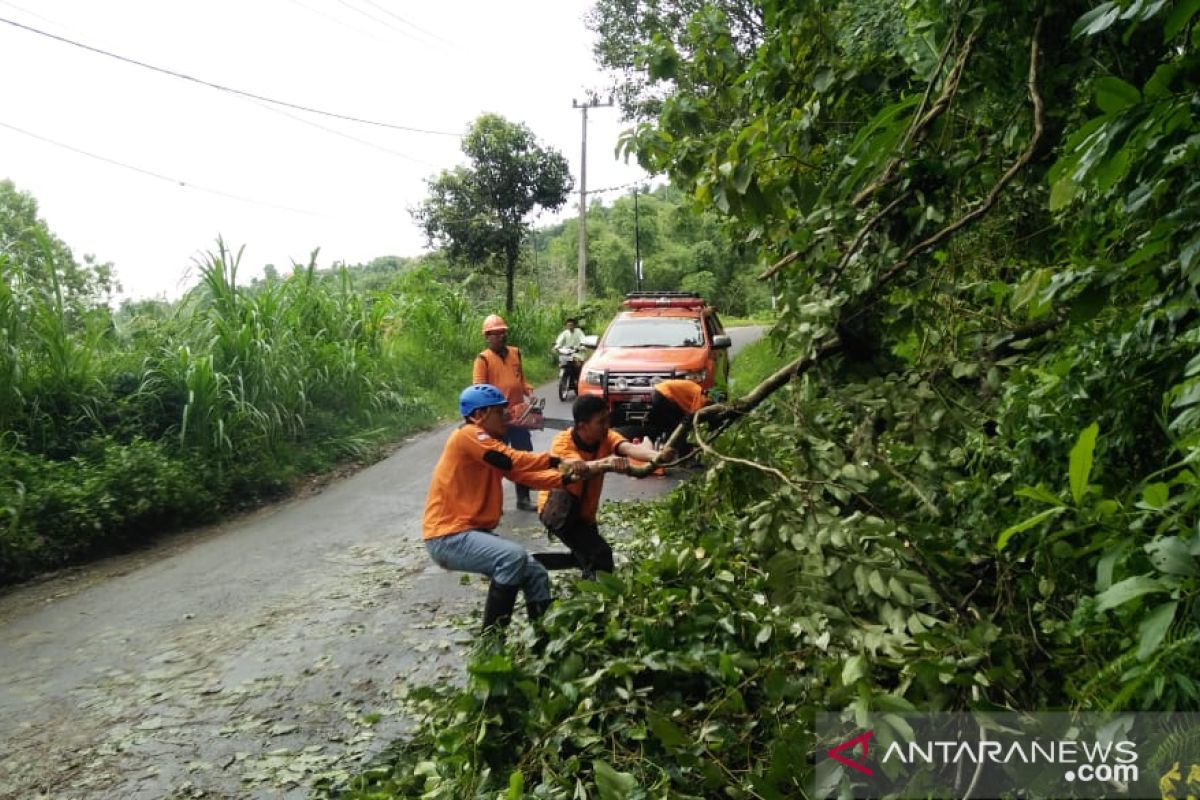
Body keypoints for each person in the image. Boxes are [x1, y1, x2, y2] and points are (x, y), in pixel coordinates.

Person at [423, 384, 620, 631]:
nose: (507, 416)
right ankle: (492, 643)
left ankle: (545, 640)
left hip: (471, 534)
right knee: (512, 557)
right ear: (478, 415)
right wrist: (557, 460)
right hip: (449, 535)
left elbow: (524, 476)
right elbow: (512, 459)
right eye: (499, 412)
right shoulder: (468, 435)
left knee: (534, 572)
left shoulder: (488, 447)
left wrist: (566, 478)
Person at [537, 394, 664, 578]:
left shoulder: (606, 437)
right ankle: (598, 598)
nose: (607, 426)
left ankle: (540, 564)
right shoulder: (562, 442)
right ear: (582, 426)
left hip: (585, 514)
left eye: (607, 420)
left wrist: (657, 457)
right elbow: (577, 466)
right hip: (559, 513)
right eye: (601, 422)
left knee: (587, 556)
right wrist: (608, 462)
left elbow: (629, 448)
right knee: (600, 555)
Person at [472, 314, 537, 511]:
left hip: (519, 416)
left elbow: (521, 379)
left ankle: (523, 498)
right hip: (496, 419)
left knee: (523, 456)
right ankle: (492, 503)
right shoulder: (483, 359)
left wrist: (529, 392)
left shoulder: (515, 353)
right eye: (495, 333)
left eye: (502, 332)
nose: (500, 336)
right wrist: (495, 411)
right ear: (487, 337)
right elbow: (479, 390)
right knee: (495, 461)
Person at [643, 378, 712, 457]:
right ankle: (680, 455)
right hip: (663, 395)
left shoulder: (699, 392)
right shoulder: (703, 397)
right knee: (680, 427)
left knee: (671, 427)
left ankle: (667, 452)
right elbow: (694, 415)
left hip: (660, 394)